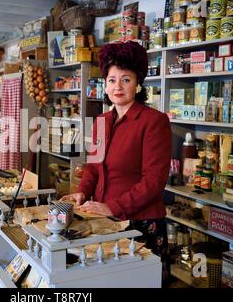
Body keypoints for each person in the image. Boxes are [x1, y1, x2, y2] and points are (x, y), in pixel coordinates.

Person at [60, 41, 171, 262]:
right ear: (105, 84)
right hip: (104, 220)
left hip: (140, 223)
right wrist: (82, 192)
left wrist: (112, 207)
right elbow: (93, 167)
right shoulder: (102, 120)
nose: (117, 87)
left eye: (125, 80)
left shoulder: (154, 121)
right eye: (112, 80)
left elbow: (154, 181)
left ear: (138, 84)